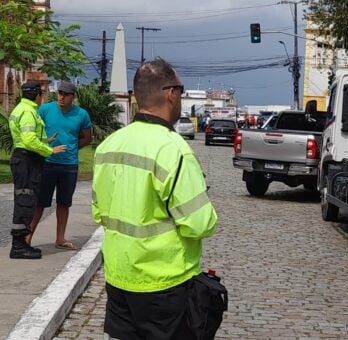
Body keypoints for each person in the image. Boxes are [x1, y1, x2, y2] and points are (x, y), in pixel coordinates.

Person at [92, 58, 219, 339]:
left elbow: (99, 212)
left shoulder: (108, 146)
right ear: (170, 93)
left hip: (119, 279)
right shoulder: (173, 150)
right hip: (165, 284)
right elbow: (199, 223)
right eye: (182, 91)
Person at [28, 81, 92, 251]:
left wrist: (72, 146)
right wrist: (45, 148)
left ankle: (60, 239)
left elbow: (87, 138)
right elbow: (34, 132)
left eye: (66, 94)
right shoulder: (45, 110)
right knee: (40, 202)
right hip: (47, 163)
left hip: (69, 165)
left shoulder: (81, 114)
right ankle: (27, 238)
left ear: (73, 97)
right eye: (60, 93)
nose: (61, 97)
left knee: (64, 203)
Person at [8, 81, 67, 259]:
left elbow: (27, 137)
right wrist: (49, 150)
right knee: (25, 201)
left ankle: (21, 243)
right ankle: (18, 246)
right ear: (36, 95)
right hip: (27, 160)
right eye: (41, 94)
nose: (42, 98)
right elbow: (28, 140)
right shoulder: (28, 112)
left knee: (25, 199)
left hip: (24, 158)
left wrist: (45, 141)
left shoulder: (21, 108)